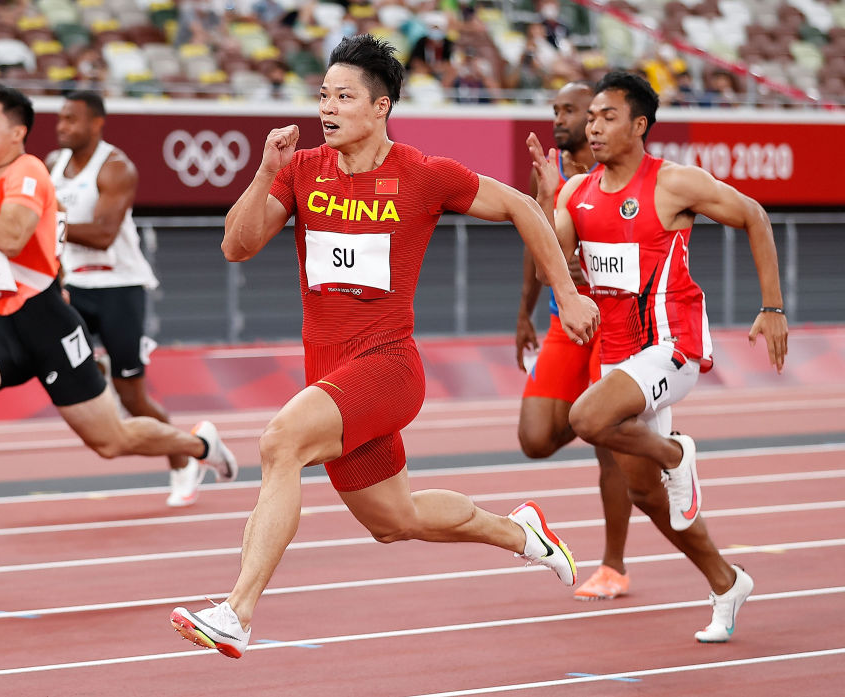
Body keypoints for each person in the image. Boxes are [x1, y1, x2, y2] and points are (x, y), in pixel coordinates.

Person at [169, 35, 600, 659]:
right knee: (395, 520)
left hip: (388, 367)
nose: (328, 107)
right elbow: (237, 245)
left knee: (279, 443)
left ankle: (236, 612)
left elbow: (523, 209)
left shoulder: (422, 174)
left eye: (344, 96)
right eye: (323, 95)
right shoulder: (301, 169)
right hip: (330, 370)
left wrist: (568, 290)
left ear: (381, 108)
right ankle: (521, 532)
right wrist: (265, 169)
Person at [0, 84, 237, 544]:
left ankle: (200, 446)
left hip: (52, 326)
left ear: (17, 133)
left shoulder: (29, 171)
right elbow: (36, 249)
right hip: (9, 321)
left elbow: (13, 238)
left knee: (111, 440)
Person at [552, 71, 788, 642]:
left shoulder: (674, 183)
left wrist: (773, 308)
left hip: (673, 345)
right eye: (592, 118)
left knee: (585, 418)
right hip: (619, 353)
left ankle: (676, 454)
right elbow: (555, 263)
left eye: (608, 116)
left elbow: (753, 214)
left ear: (639, 126)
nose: (594, 126)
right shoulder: (574, 193)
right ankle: (727, 581)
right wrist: (541, 213)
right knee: (646, 496)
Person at [45, 91, 235, 507]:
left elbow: (102, 235)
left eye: (71, 120)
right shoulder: (51, 165)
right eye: (59, 119)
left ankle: (186, 456)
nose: (62, 127)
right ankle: (96, 368)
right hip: (73, 285)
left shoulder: (115, 168)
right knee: (45, 348)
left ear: (96, 124)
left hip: (120, 288)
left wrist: (45, 222)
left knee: (132, 396)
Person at [517, 81, 632, 602]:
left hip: (612, 325)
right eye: (556, 109)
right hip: (566, 322)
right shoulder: (552, 173)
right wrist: (524, 313)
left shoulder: (617, 177)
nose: (560, 118)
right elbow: (535, 245)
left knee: (605, 443)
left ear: (597, 118)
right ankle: (637, 440)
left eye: (571, 110)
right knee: (535, 439)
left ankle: (613, 566)